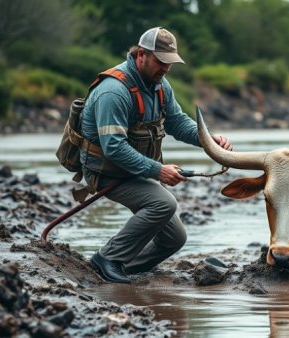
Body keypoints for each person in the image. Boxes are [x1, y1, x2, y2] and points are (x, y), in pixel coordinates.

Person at [80, 27, 232, 283]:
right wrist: (158, 170)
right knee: (164, 203)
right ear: (141, 55)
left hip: (132, 170)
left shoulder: (160, 86)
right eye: (161, 62)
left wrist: (209, 141)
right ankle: (106, 259)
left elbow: (178, 124)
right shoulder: (113, 92)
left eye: (170, 63)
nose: (166, 69)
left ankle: (125, 268)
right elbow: (113, 147)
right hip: (105, 171)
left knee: (175, 238)